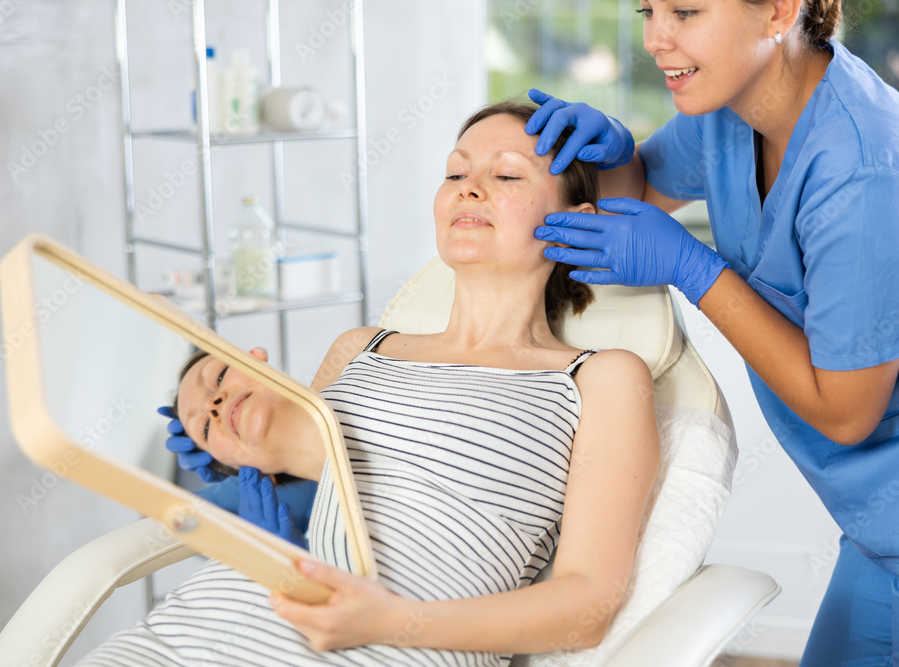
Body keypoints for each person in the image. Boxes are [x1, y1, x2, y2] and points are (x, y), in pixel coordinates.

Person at [76, 100, 660, 666]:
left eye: (505, 174)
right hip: (193, 626)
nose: (469, 188)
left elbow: (588, 607)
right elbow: (293, 468)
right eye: (455, 173)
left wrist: (390, 621)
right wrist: (222, 435)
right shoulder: (361, 348)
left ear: (577, 223)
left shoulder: (599, 378)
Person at [524, 0, 899, 664]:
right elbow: (642, 191)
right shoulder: (733, 108)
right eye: (646, 10)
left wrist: (696, 269)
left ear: (778, 12)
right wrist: (614, 153)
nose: (654, 38)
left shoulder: (868, 170)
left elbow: (847, 413)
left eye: (685, 11)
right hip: (880, 527)